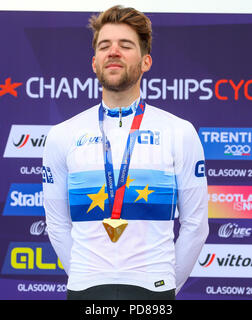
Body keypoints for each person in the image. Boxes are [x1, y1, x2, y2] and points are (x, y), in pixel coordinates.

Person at [42, 5, 208, 300]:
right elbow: (56, 224)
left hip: (154, 291)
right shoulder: (62, 135)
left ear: (146, 61)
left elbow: (196, 225)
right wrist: (87, 278)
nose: (114, 52)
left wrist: (164, 284)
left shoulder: (179, 132)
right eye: (105, 46)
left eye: (126, 45)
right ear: (94, 62)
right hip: (84, 290)